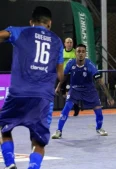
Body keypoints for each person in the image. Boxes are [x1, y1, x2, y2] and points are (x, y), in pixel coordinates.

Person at [0, 6, 64, 169]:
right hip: (43, 96)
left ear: (31, 22)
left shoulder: (20, 32)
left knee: (4, 129)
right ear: (49, 23)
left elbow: (1, 36)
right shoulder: (57, 41)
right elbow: (60, 74)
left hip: (19, 92)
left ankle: (10, 163)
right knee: (38, 142)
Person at [51, 44, 115, 139]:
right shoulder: (70, 63)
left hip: (89, 90)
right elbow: (64, 77)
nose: (81, 53)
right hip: (75, 90)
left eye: (83, 51)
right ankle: (59, 131)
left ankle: (99, 128)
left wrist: (109, 97)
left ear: (85, 53)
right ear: (75, 53)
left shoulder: (90, 65)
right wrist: (58, 87)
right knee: (66, 108)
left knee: (98, 110)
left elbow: (100, 82)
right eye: (78, 51)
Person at [62, 37, 80, 116]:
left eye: (71, 42)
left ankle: (69, 110)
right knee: (63, 93)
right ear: (65, 44)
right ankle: (76, 105)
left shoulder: (75, 53)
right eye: (68, 42)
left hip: (72, 75)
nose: (69, 44)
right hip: (63, 75)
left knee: (68, 92)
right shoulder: (61, 52)